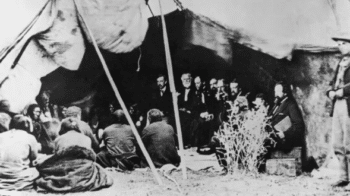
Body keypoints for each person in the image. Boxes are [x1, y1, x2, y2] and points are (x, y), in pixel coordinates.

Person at [35, 117, 113, 192]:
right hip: (85, 169)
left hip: (66, 168)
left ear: (63, 128)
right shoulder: (86, 138)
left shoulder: (59, 139)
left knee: (44, 168)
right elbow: (93, 158)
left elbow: (56, 158)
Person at [326, 32, 350, 188]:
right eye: (339, 44)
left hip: (349, 106)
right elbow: (332, 83)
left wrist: (343, 91)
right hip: (338, 106)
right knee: (338, 143)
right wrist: (330, 92)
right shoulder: (341, 62)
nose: (340, 47)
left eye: (343, 44)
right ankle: (343, 176)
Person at [0, 115, 40, 190]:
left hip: (1, 175)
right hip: (20, 178)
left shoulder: (1, 136)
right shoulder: (30, 137)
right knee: (36, 170)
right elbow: (34, 157)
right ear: (27, 126)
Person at [267, 81, 305, 152]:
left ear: (285, 92)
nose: (276, 94)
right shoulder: (277, 105)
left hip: (285, 145)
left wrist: (285, 134)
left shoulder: (291, 105)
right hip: (273, 142)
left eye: (278, 91)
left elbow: (299, 126)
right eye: (275, 91)